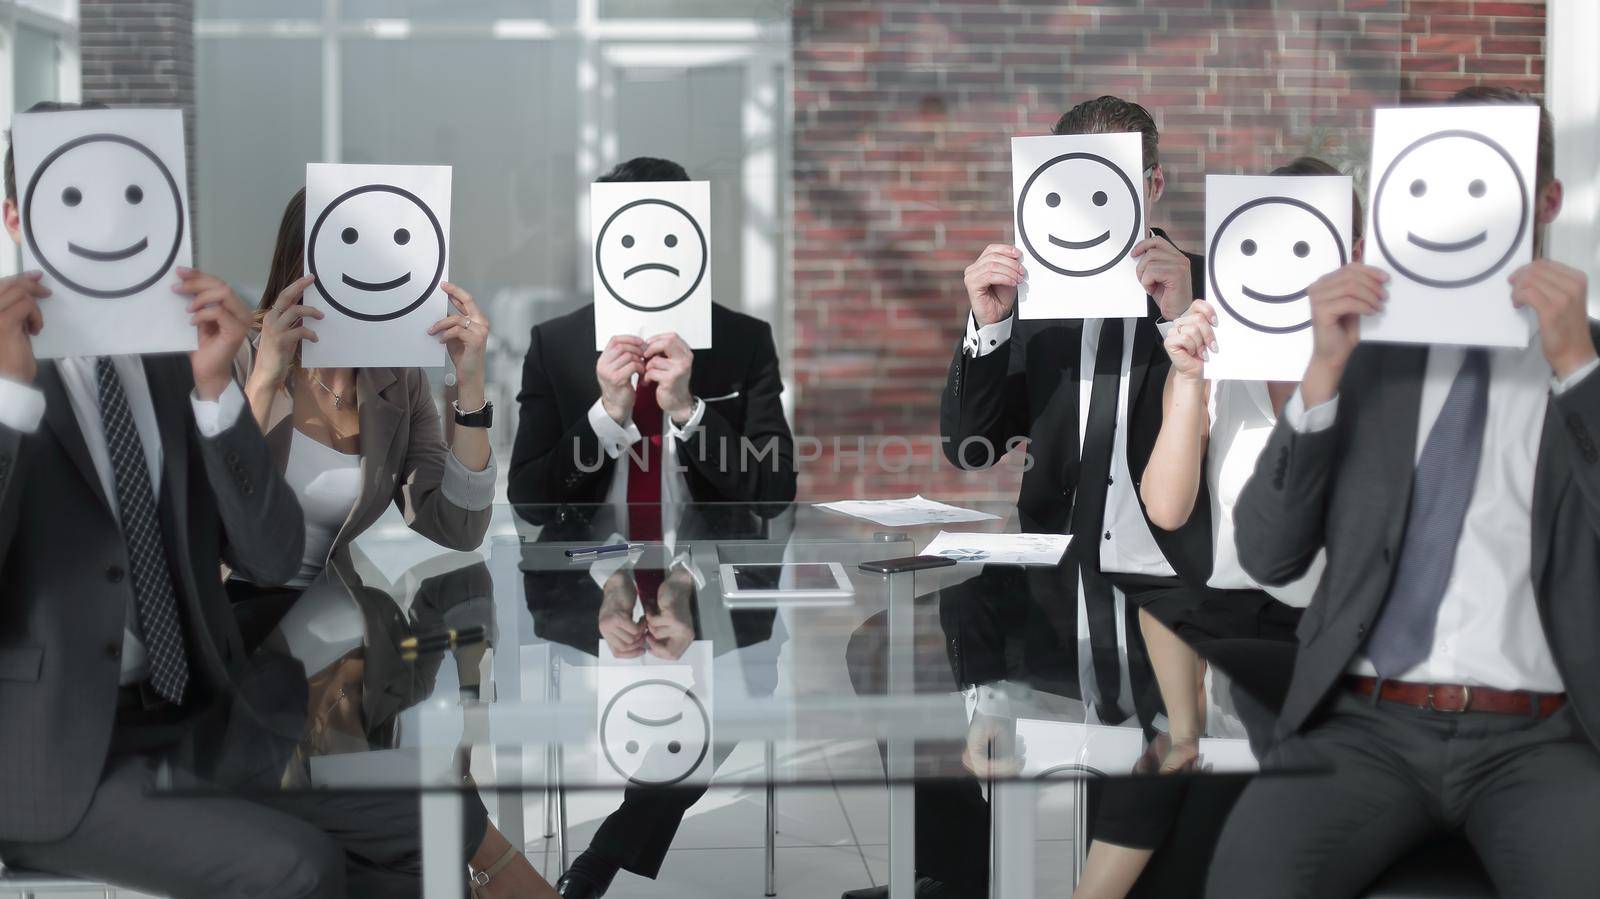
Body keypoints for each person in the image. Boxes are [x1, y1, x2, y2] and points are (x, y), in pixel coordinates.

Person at [1207, 86, 1600, 898]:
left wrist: (1579, 369)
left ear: (1548, 200)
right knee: (1246, 883)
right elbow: (1268, 553)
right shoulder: (1364, 362)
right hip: (1367, 726)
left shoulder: (1591, 363)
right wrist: (1320, 376)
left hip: (1545, 734)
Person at [0, 101, 380, 897]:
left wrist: (222, 399)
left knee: (416, 824)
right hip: (54, 759)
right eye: (77, 199)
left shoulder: (179, 358)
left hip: (201, 717)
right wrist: (8, 401)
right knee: (297, 868)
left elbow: (272, 555)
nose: (110, 225)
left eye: (136, 197)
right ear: (14, 216)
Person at [838, 94, 1212, 899]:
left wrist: (1181, 314)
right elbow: (969, 446)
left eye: (1109, 184)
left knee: (1135, 758)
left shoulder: (1214, 285)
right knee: (885, 649)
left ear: (1152, 183)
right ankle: (953, 872)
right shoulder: (1037, 293)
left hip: (1169, 584)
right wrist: (988, 324)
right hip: (1051, 574)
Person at [228, 188, 557, 897]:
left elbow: (457, 522)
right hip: (236, 619)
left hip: (330, 619)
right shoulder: (236, 354)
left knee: (392, 739)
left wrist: (466, 383)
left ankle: (472, 868)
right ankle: (500, 866)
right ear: (302, 261)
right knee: (373, 760)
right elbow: (213, 522)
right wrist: (264, 379)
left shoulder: (394, 374)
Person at [507, 155, 797, 898]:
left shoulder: (742, 341)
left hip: (707, 581)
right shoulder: (557, 343)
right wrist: (604, 414)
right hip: (586, 576)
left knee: (729, 703)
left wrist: (691, 411)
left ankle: (596, 862)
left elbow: (771, 491)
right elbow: (531, 498)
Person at [1137, 156, 1361, 777]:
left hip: (1350, 637)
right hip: (1244, 638)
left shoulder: (1379, 369)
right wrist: (1188, 377)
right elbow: (1166, 505)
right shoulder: (1220, 363)